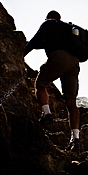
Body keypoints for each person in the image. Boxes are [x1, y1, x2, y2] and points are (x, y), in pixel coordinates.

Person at [24, 10, 81, 151]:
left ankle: (47, 113)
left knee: (40, 84)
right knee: (71, 102)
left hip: (59, 57)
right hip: (74, 63)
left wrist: (22, 54)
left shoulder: (48, 23)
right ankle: (76, 139)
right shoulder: (68, 28)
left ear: (48, 17)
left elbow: (36, 41)